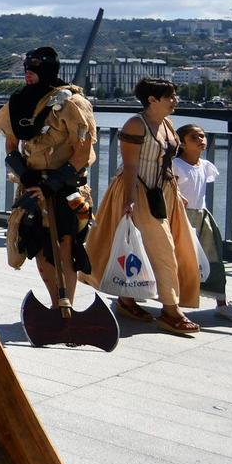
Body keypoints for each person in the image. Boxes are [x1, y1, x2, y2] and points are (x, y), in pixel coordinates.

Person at [85, 77, 202, 336]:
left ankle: (127, 300)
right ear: (152, 100)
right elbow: (130, 165)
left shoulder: (167, 125)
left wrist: (175, 191)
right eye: (170, 96)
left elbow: (167, 161)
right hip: (138, 191)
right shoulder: (136, 125)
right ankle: (171, 310)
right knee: (164, 249)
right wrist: (128, 199)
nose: (175, 100)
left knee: (156, 247)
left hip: (163, 193)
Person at [0, 45, 96, 312]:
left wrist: (53, 183)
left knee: (65, 245)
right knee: (37, 244)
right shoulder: (19, 101)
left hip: (65, 186)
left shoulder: (71, 103)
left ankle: (66, 305)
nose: (28, 73)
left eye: (34, 69)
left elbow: (84, 149)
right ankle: (54, 304)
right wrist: (27, 176)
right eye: (26, 68)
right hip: (32, 184)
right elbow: (12, 145)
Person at [173, 125, 232, 322]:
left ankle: (222, 302)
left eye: (202, 136)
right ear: (182, 144)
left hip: (202, 216)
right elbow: (168, 189)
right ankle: (172, 303)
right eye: (194, 137)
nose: (201, 140)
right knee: (179, 261)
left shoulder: (205, 165)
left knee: (214, 259)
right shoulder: (176, 165)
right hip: (181, 217)